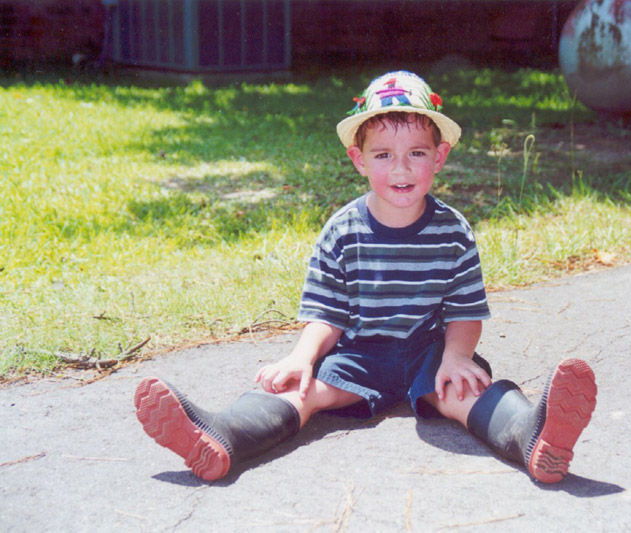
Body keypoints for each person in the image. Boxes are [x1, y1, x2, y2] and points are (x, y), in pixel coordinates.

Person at [134, 71, 597, 484]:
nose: (400, 168)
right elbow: (326, 314)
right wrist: (300, 357)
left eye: (417, 152)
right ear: (359, 159)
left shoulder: (453, 231)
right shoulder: (342, 231)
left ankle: (531, 435)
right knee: (304, 391)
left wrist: (456, 358)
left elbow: (465, 311)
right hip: (358, 354)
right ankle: (222, 436)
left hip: (426, 352)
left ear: (440, 156)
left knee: (461, 392)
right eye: (383, 155)